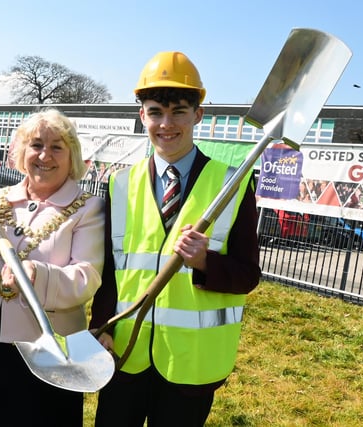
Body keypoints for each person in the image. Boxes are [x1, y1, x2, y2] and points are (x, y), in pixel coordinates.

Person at [90, 51, 261, 426]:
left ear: (198, 114)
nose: (166, 124)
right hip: (124, 354)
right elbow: (108, 271)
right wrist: (100, 327)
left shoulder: (233, 185)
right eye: (155, 112)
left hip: (190, 367)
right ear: (142, 116)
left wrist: (206, 262)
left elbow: (248, 275)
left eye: (179, 112)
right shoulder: (119, 185)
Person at [0, 108, 104, 427]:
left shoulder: (89, 208)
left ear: (72, 156)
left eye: (57, 146)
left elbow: (87, 277)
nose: (45, 155)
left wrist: (37, 276)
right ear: (22, 152)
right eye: (36, 145)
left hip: (46, 352)